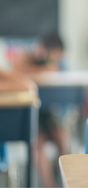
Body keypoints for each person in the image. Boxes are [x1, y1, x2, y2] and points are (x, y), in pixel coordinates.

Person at [13, 31, 69, 187]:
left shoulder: (55, 64)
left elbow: (55, 70)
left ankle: (64, 178)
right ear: (43, 48)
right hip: (29, 112)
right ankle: (50, 185)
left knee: (62, 136)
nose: (56, 59)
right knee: (38, 144)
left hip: (47, 113)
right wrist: (45, 63)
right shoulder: (26, 58)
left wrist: (50, 64)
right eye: (54, 55)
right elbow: (17, 71)